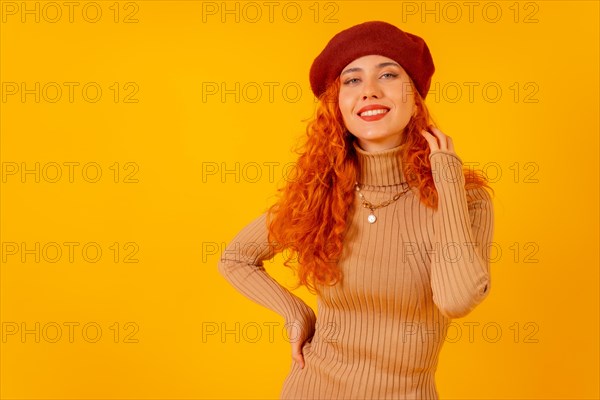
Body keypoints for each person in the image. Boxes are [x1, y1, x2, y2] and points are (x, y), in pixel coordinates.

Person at [218, 20, 495, 399]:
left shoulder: (465, 200)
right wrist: (295, 313)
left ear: (414, 98)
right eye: (352, 80)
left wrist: (445, 176)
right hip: (311, 389)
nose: (369, 91)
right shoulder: (321, 192)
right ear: (338, 106)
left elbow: (456, 299)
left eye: (388, 74)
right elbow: (236, 257)